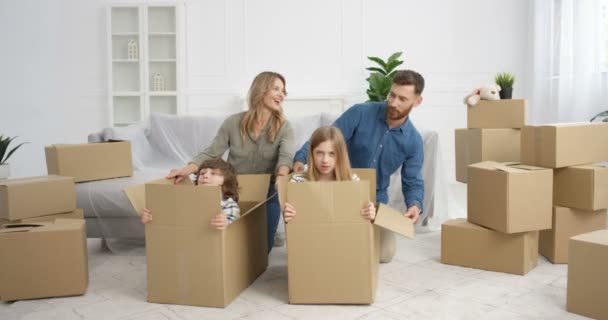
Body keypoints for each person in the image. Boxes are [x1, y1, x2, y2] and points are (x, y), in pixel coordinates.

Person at [292, 70, 425, 262]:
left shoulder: (413, 141)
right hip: (339, 190)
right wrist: (301, 159)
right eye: (392, 95)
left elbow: (413, 180)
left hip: (373, 200)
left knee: (384, 254)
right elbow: (329, 137)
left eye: (402, 99)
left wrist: (415, 205)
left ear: (417, 101)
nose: (394, 103)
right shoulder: (360, 113)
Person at [167, 71, 295, 252]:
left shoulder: (285, 127)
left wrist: (282, 177)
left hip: (268, 192)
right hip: (235, 189)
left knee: (260, 251)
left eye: (283, 91)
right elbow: (212, 152)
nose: (281, 95)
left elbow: (286, 158)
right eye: (276, 89)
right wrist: (186, 170)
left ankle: (273, 234)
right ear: (261, 90)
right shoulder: (232, 123)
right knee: (231, 246)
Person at [283, 126, 376, 223]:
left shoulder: (352, 181)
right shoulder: (298, 182)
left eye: (332, 154)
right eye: (319, 153)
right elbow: (293, 224)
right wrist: (288, 215)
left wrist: (369, 214)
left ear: (340, 155)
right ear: (311, 154)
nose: (325, 160)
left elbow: (359, 223)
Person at [141, 158, 240, 230]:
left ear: (227, 181)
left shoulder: (228, 204)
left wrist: (225, 222)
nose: (205, 176)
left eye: (213, 173)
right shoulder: (188, 200)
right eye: (202, 173)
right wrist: (151, 217)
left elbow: (234, 226)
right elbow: (172, 218)